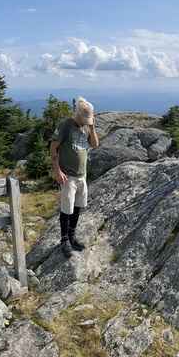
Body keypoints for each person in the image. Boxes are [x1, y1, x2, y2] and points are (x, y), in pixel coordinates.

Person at [51, 97, 100, 252]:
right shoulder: (65, 125)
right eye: (85, 119)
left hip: (81, 175)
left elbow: (95, 145)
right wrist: (57, 170)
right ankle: (64, 240)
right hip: (68, 176)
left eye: (88, 119)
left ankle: (72, 237)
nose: (86, 122)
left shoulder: (86, 127)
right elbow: (53, 147)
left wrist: (92, 128)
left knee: (78, 206)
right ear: (77, 114)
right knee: (67, 208)